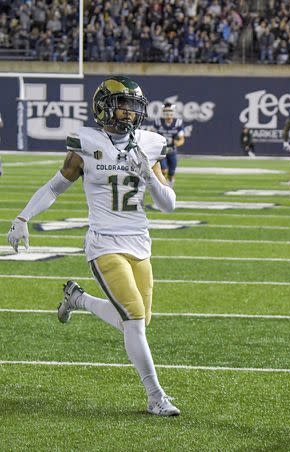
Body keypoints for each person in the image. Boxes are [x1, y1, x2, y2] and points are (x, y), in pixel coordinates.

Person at [5, 76, 179, 416]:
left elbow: (169, 204)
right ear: (104, 108)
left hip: (140, 242)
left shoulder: (150, 143)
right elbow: (55, 187)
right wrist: (22, 218)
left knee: (137, 321)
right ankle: (155, 396)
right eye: (123, 107)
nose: (130, 115)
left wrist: (148, 176)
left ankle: (78, 299)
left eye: (134, 108)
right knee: (133, 317)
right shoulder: (86, 142)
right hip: (104, 242)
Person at [152, 102, 185, 186]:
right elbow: (152, 135)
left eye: (170, 111)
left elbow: (182, 139)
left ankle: (170, 185)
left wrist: (175, 143)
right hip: (162, 150)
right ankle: (164, 186)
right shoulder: (158, 122)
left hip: (172, 150)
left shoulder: (178, 123)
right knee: (163, 170)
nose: (168, 114)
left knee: (171, 172)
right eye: (166, 111)